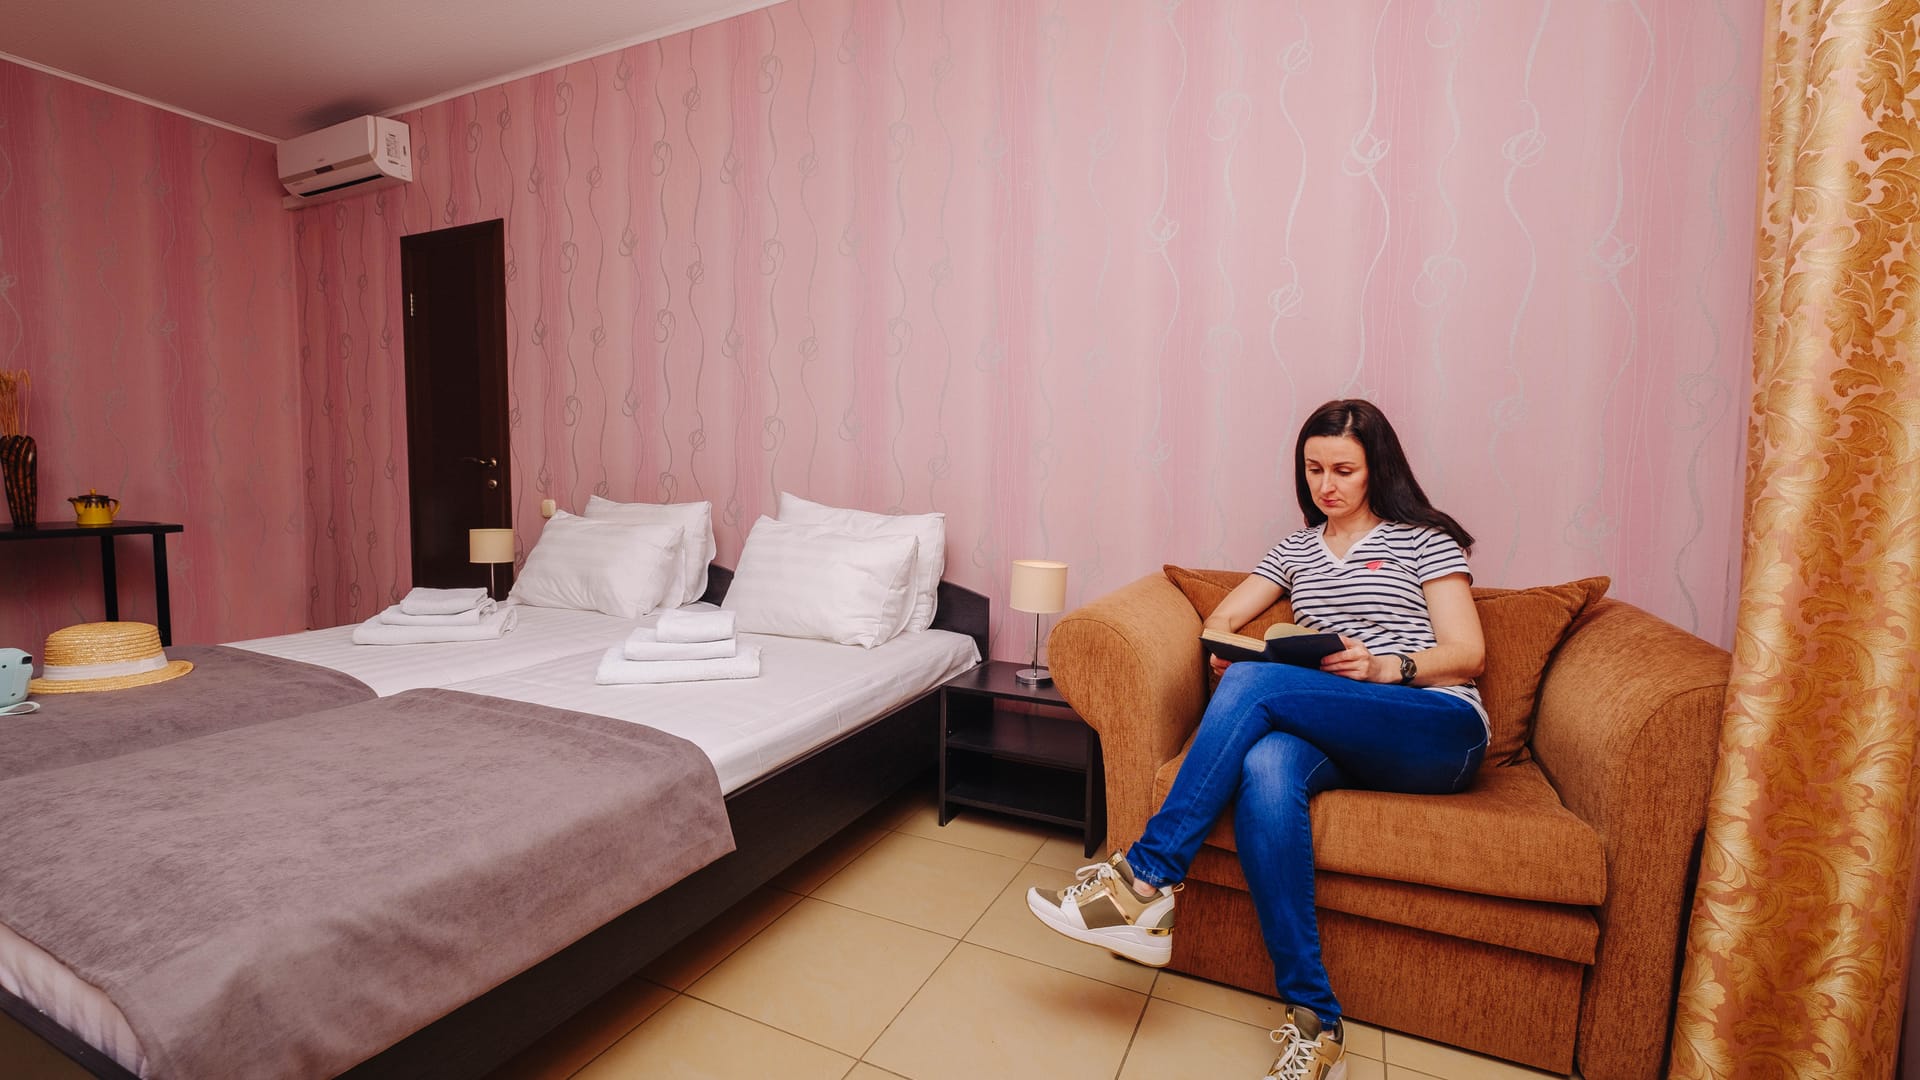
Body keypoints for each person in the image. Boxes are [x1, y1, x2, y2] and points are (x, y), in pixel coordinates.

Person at [1027, 399, 1489, 1080]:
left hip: (1436, 726)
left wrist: (1385, 667)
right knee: (1267, 769)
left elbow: (1469, 652)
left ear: (1377, 470)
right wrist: (1226, 651)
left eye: (1344, 471)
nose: (1326, 485)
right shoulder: (1296, 550)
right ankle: (1316, 1022)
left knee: (1254, 686)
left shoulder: (1423, 539)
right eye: (1314, 469)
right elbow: (1222, 618)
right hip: (1340, 726)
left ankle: (1145, 880)